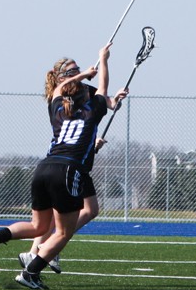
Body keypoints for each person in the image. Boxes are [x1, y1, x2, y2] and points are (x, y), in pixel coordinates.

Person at [0, 44, 127, 289]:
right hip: (67, 171)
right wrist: (103, 60)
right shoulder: (92, 110)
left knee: (39, 227)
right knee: (63, 232)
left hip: (44, 168)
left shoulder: (56, 107)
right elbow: (103, 89)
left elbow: (73, 90)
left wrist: (85, 74)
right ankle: (30, 273)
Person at [17, 55, 128, 274]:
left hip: (78, 162)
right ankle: (42, 250)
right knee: (54, 218)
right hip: (70, 165)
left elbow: (104, 100)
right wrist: (102, 61)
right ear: (64, 77)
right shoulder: (66, 94)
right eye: (73, 70)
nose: (80, 71)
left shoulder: (81, 89)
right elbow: (93, 104)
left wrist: (113, 100)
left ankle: (48, 247)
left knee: (89, 210)